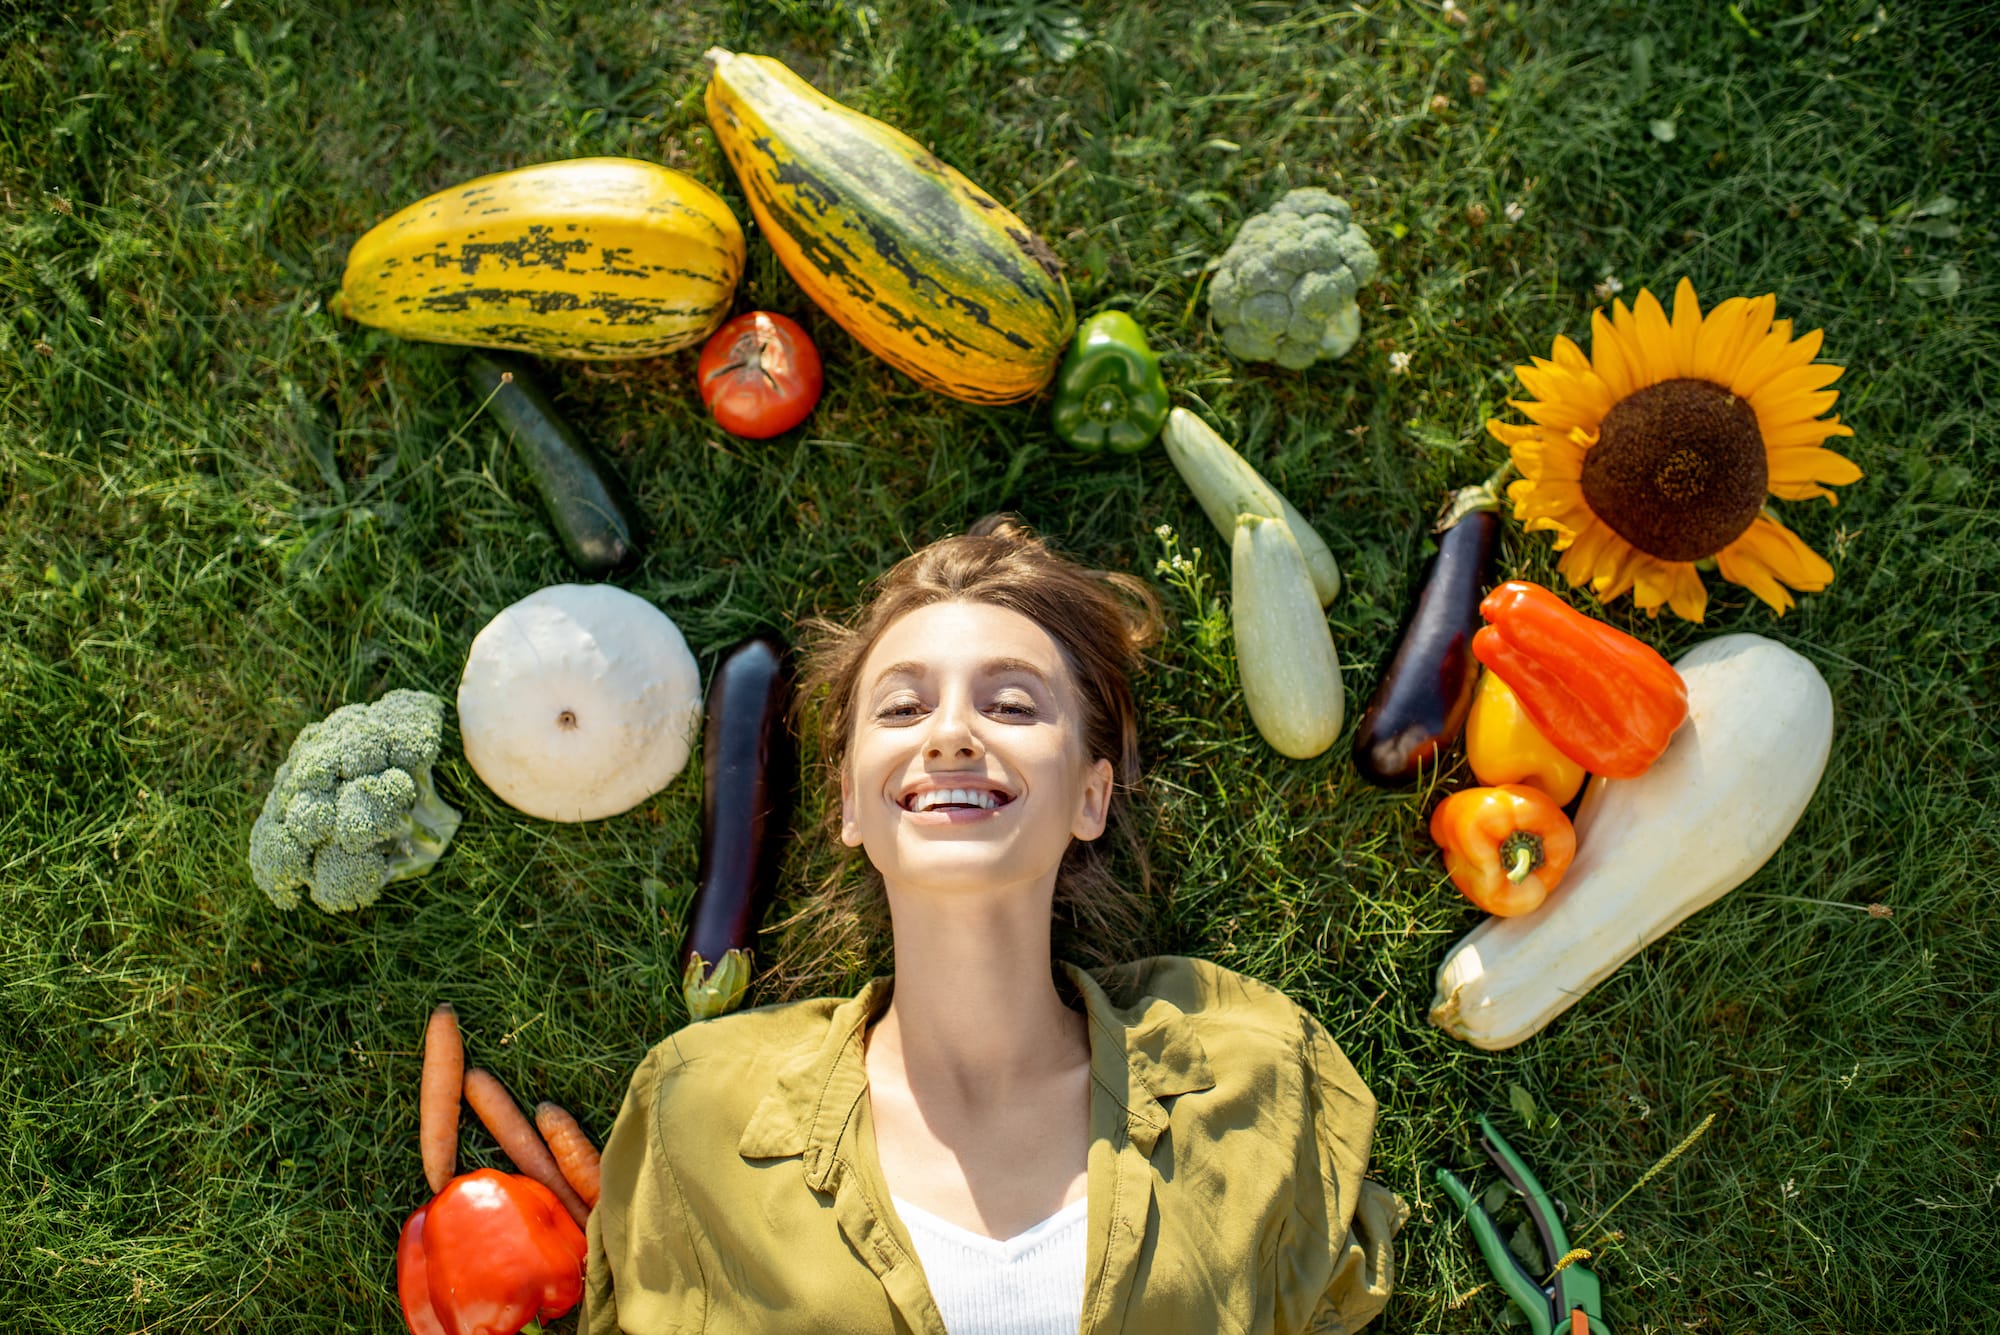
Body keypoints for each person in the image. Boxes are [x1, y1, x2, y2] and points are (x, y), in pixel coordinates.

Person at [583, 516, 1402, 1335]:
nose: (949, 735)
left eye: (1011, 703)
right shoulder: (696, 1110)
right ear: (847, 803)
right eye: (903, 707)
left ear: (1092, 795)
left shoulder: (1252, 1080)